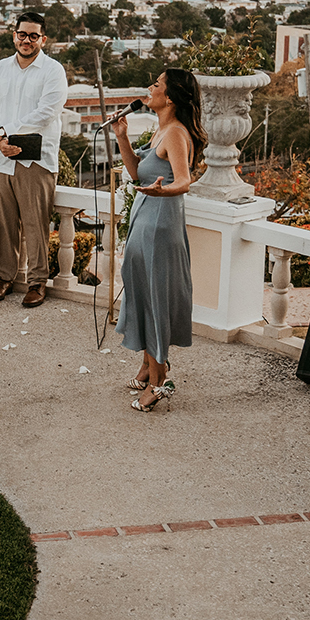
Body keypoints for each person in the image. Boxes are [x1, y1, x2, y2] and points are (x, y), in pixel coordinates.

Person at [111, 68, 207, 411]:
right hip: (144, 222)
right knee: (141, 295)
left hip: (159, 229)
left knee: (154, 302)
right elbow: (137, 173)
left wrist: (161, 191)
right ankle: (147, 366)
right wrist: (122, 136)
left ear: (170, 97)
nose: (148, 89)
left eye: (156, 84)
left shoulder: (177, 134)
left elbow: (183, 181)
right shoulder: (160, 130)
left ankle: (159, 382)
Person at [0, 11, 68, 309]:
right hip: (0, 157)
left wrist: (6, 132)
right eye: (22, 34)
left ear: (43, 39)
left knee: (35, 223)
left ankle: (37, 281)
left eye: (33, 36)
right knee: (3, 222)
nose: (26, 40)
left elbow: (47, 112)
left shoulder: (53, 71)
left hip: (35, 158)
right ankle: (3, 276)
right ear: (13, 35)